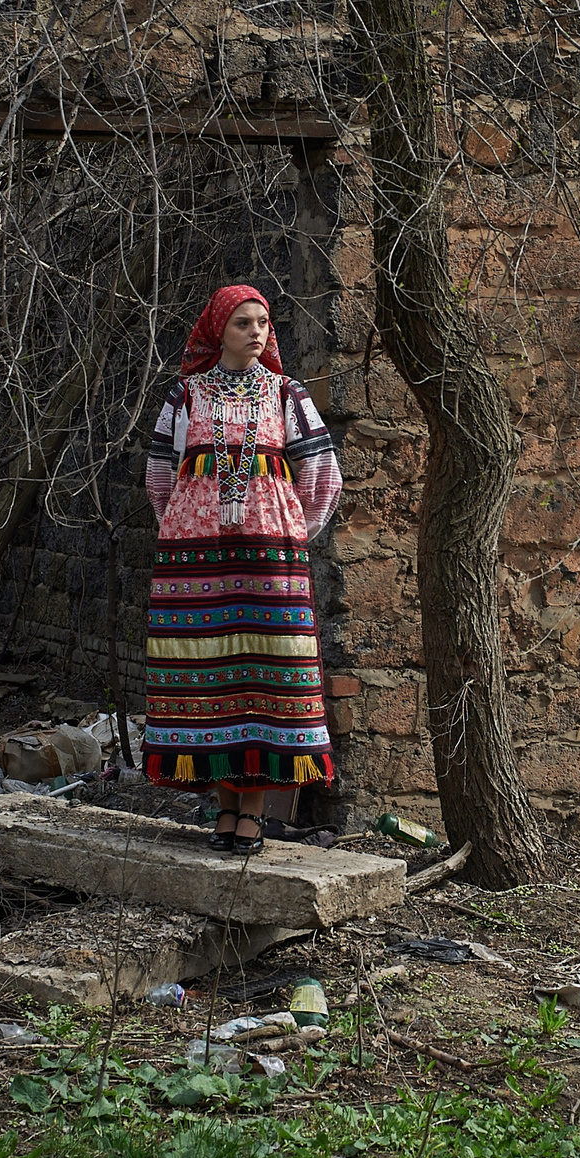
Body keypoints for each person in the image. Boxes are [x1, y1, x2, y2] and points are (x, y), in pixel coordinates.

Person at [139, 285, 343, 854]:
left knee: (266, 677)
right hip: (195, 561)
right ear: (216, 332)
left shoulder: (286, 395)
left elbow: (322, 474)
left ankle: (251, 813)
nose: (256, 333)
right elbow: (160, 475)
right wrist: (183, 526)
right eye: (242, 324)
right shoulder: (185, 397)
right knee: (211, 681)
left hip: (269, 562)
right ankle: (224, 811)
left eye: (263, 323)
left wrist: (292, 535)